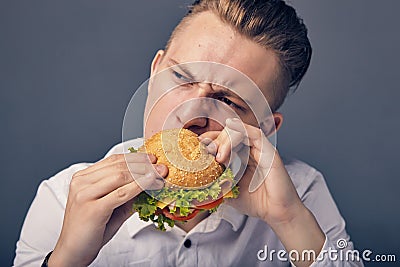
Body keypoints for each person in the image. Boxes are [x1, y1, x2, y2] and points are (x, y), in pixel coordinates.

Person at [14, 0, 363, 266]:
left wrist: (290, 220)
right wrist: (65, 260)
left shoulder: (302, 194)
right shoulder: (64, 198)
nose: (191, 111)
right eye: (181, 78)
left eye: (229, 100)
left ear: (265, 128)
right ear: (155, 72)